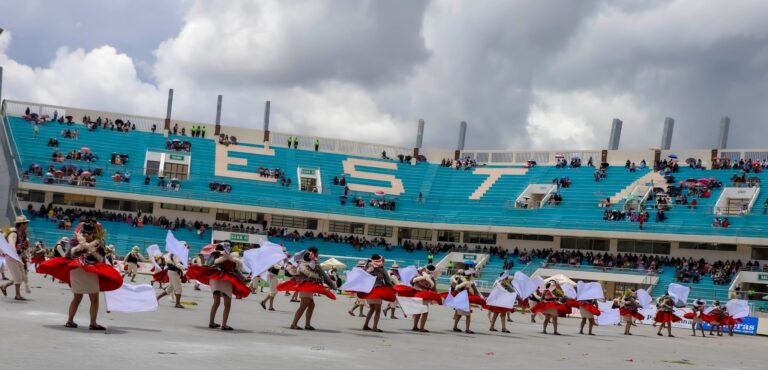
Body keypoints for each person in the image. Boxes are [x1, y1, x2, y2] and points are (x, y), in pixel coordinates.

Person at [36, 219, 123, 330]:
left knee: (78, 298)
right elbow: (100, 260)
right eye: (85, 233)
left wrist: (84, 248)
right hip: (88, 271)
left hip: (78, 270)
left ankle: (70, 321)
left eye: (88, 233)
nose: (86, 235)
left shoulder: (78, 242)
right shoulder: (95, 243)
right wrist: (87, 249)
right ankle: (92, 323)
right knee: (93, 299)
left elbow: (69, 256)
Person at [187, 243, 249, 330]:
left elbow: (209, 265)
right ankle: (224, 324)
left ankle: (211, 322)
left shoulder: (215, 255)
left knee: (216, 302)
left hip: (215, 279)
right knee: (227, 304)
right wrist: (230, 258)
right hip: (226, 279)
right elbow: (238, 268)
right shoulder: (231, 258)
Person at [277, 247, 337, 330]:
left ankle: (307, 325)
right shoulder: (308, 264)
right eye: (317, 253)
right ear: (313, 254)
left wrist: (331, 284)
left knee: (311, 305)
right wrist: (331, 284)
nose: (318, 255)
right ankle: (294, 324)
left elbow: (322, 274)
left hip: (308, 286)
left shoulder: (309, 263)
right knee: (303, 307)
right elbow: (321, 274)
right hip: (307, 286)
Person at [358, 254, 395, 332]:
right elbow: (388, 280)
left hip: (369, 290)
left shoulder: (368, 267)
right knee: (378, 310)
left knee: (372, 309)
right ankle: (375, 327)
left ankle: (365, 325)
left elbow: (363, 275)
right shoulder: (381, 268)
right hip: (377, 290)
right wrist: (391, 288)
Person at [447, 265, 485, 334]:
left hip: (460, 298)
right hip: (464, 299)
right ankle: (467, 329)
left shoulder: (458, 280)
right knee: (467, 315)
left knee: (459, 314)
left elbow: (455, 289)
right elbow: (473, 292)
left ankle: (455, 327)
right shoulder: (467, 282)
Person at [1, 215, 30, 300]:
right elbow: (11, 246)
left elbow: (21, 246)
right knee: (18, 276)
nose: (27, 226)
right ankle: (17, 295)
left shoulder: (23, 234)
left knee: (22, 276)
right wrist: (16, 255)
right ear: (21, 224)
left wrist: (23, 252)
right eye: (26, 224)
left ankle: (4, 286)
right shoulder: (13, 233)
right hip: (11, 256)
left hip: (17, 256)